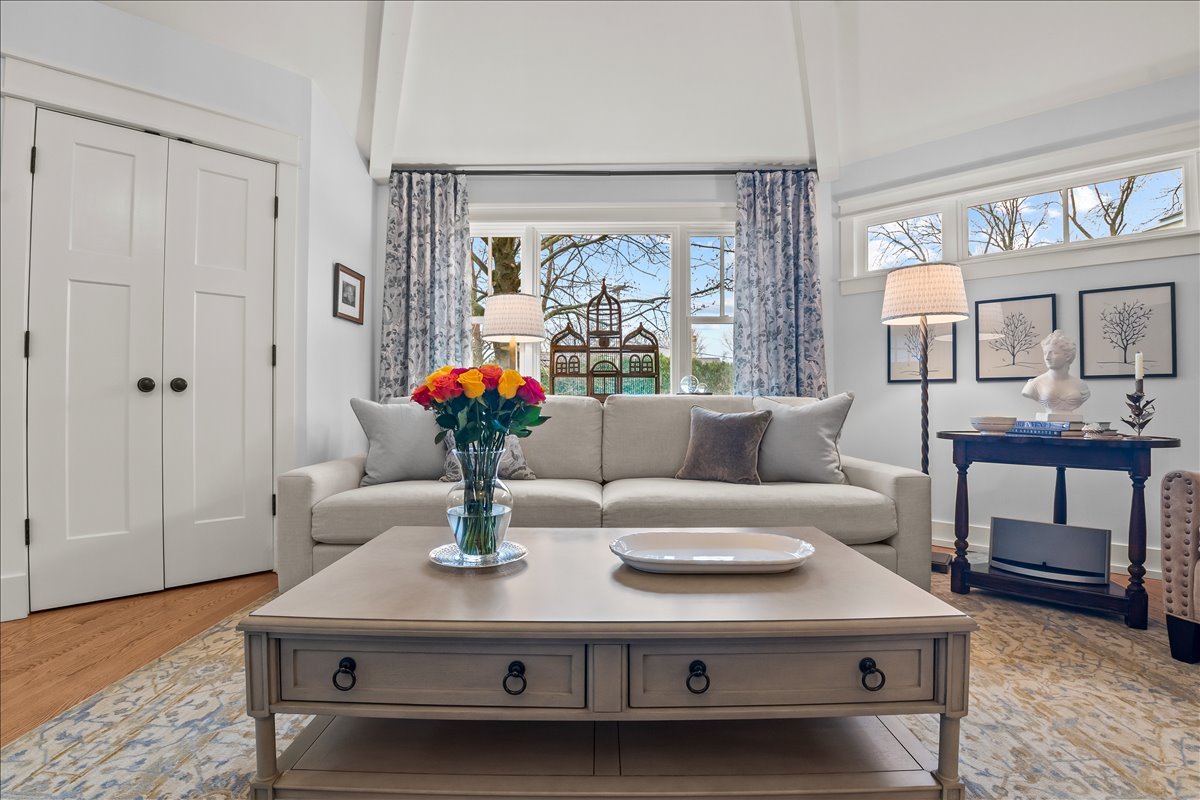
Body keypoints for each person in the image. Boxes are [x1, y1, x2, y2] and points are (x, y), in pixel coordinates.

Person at [1021, 330, 1091, 416]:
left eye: (1053, 353)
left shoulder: (1081, 385)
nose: (1047, 358)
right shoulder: (1034, 384)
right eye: (1045, 353)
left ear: (1068, 356)